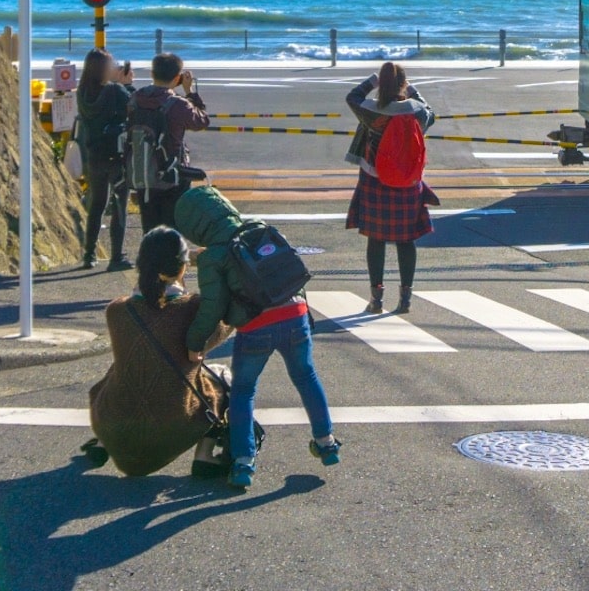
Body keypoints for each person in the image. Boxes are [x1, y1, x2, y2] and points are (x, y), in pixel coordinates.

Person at [176, 185, 341, 490]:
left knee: (243, 390)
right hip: (295, 313)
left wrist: (194, 343)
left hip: (256, 327)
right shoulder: (261, 228)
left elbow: (212, 307)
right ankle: (327, 442)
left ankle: (243, 463)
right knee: (306, 376)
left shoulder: (214, 256)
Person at [85, 227, 231, 478]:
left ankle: (101, 443)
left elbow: (152, 300)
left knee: (125, 363)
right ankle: (205, 457)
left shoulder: (117, 311)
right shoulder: (193, 309)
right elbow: (226, 324)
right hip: (171, 430)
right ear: (183, 267)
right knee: (224, 378)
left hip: (114, 429)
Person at [345, 62, 437, 313]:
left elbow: (352, 96)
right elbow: (431, 113)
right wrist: (412, 89)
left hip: (374, 180)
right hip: (408, 183)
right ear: (402, 85)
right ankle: (405, 299)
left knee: (376, 239)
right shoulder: (415, 111)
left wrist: (373, 80)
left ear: (381, 85)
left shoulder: (370, 111)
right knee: (406, 241)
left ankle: (376, 300)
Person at [128, 53, 211, 231]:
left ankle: (150, 258)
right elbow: (202, 121)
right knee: (173, 229)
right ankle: (172, 258)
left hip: (142, 170)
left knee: (150, 229)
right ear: (177, 77)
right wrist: (189, 92)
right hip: (173, 174)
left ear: (152, 74)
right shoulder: (178, 104)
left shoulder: (135, 99)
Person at [76, 49, 135, 271]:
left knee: (97, 205)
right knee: (120, 206)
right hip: (116, 156)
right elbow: (134, 105)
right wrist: (126, 84)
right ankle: (116, 257)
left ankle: (89, 255)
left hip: (93, 156)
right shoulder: (114, 90)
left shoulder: (82, 92)